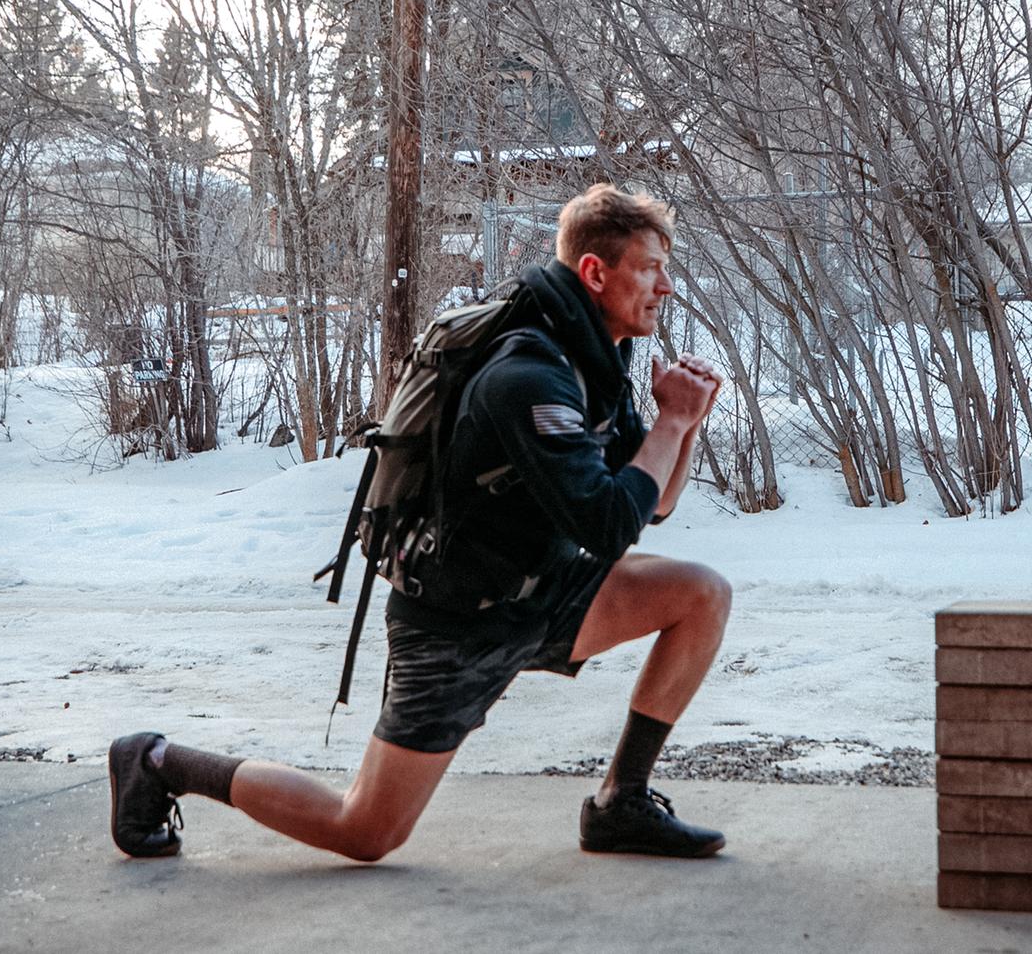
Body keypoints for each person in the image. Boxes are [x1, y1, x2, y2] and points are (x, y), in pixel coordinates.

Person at [109, 183, 731, 862]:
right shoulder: (529, 375)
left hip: (541, 591)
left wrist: (686, 423)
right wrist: (670, 420)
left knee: (700, 593)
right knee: (365, 830)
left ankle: (622, 803)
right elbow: (611, 527)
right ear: (595, 272)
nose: (665, 285)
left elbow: (653, 506)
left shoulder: (593, 358)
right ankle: (158, 760)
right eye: (650, 266)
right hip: (457, 623)